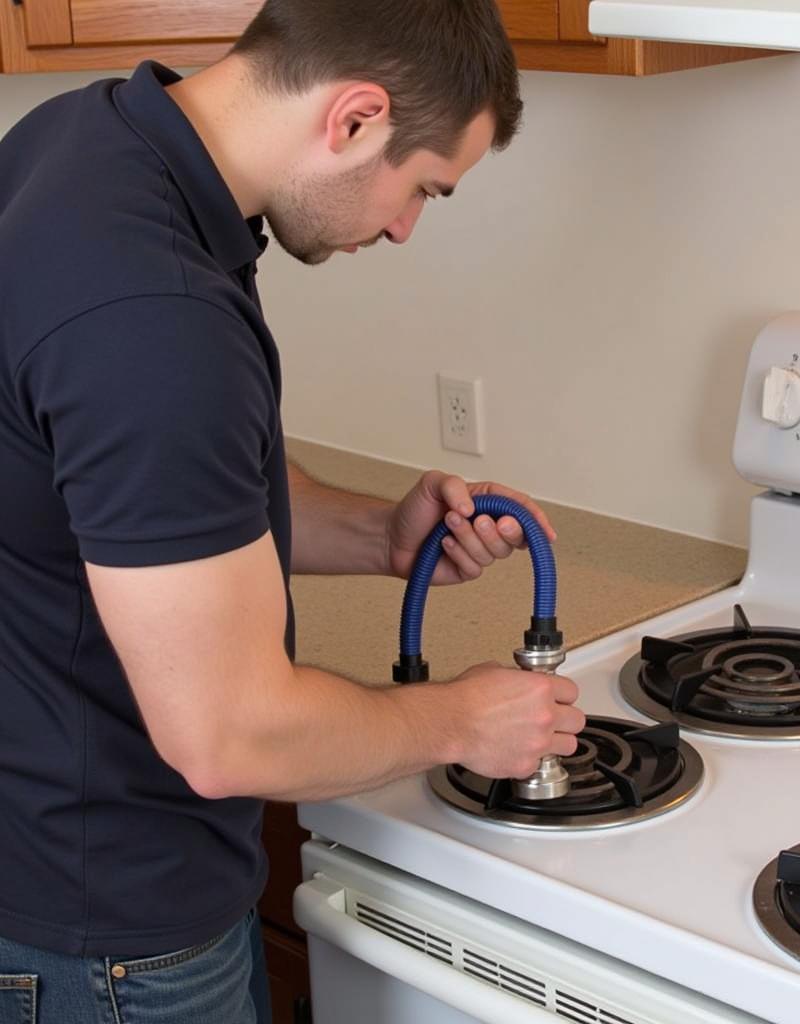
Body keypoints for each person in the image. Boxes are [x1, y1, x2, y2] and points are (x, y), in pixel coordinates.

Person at [0, 1, 586, 1020]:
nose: (404, 227)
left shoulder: (88, 140)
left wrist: (377, 536)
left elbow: (155, 506)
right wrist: (462, 718)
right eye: (424, 190)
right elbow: (230, 734)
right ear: (356, 116)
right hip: (112, 938)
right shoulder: (155, 317)